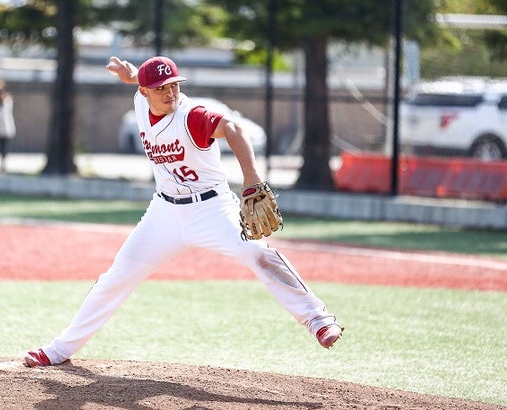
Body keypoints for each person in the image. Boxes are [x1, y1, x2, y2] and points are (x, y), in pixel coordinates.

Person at [24, 56, 343, 367]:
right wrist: (134, 74)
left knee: (257, 253)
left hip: (212, 209)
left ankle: (318, 319)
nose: (170, 92)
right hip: (163, 212)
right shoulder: (140, 101)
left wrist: (251, 178)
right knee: (116, 277)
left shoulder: (191, 115)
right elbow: (143, 82)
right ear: (145, 92)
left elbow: (232, 127)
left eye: (174, 84)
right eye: (161, 87)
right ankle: (60, 349)